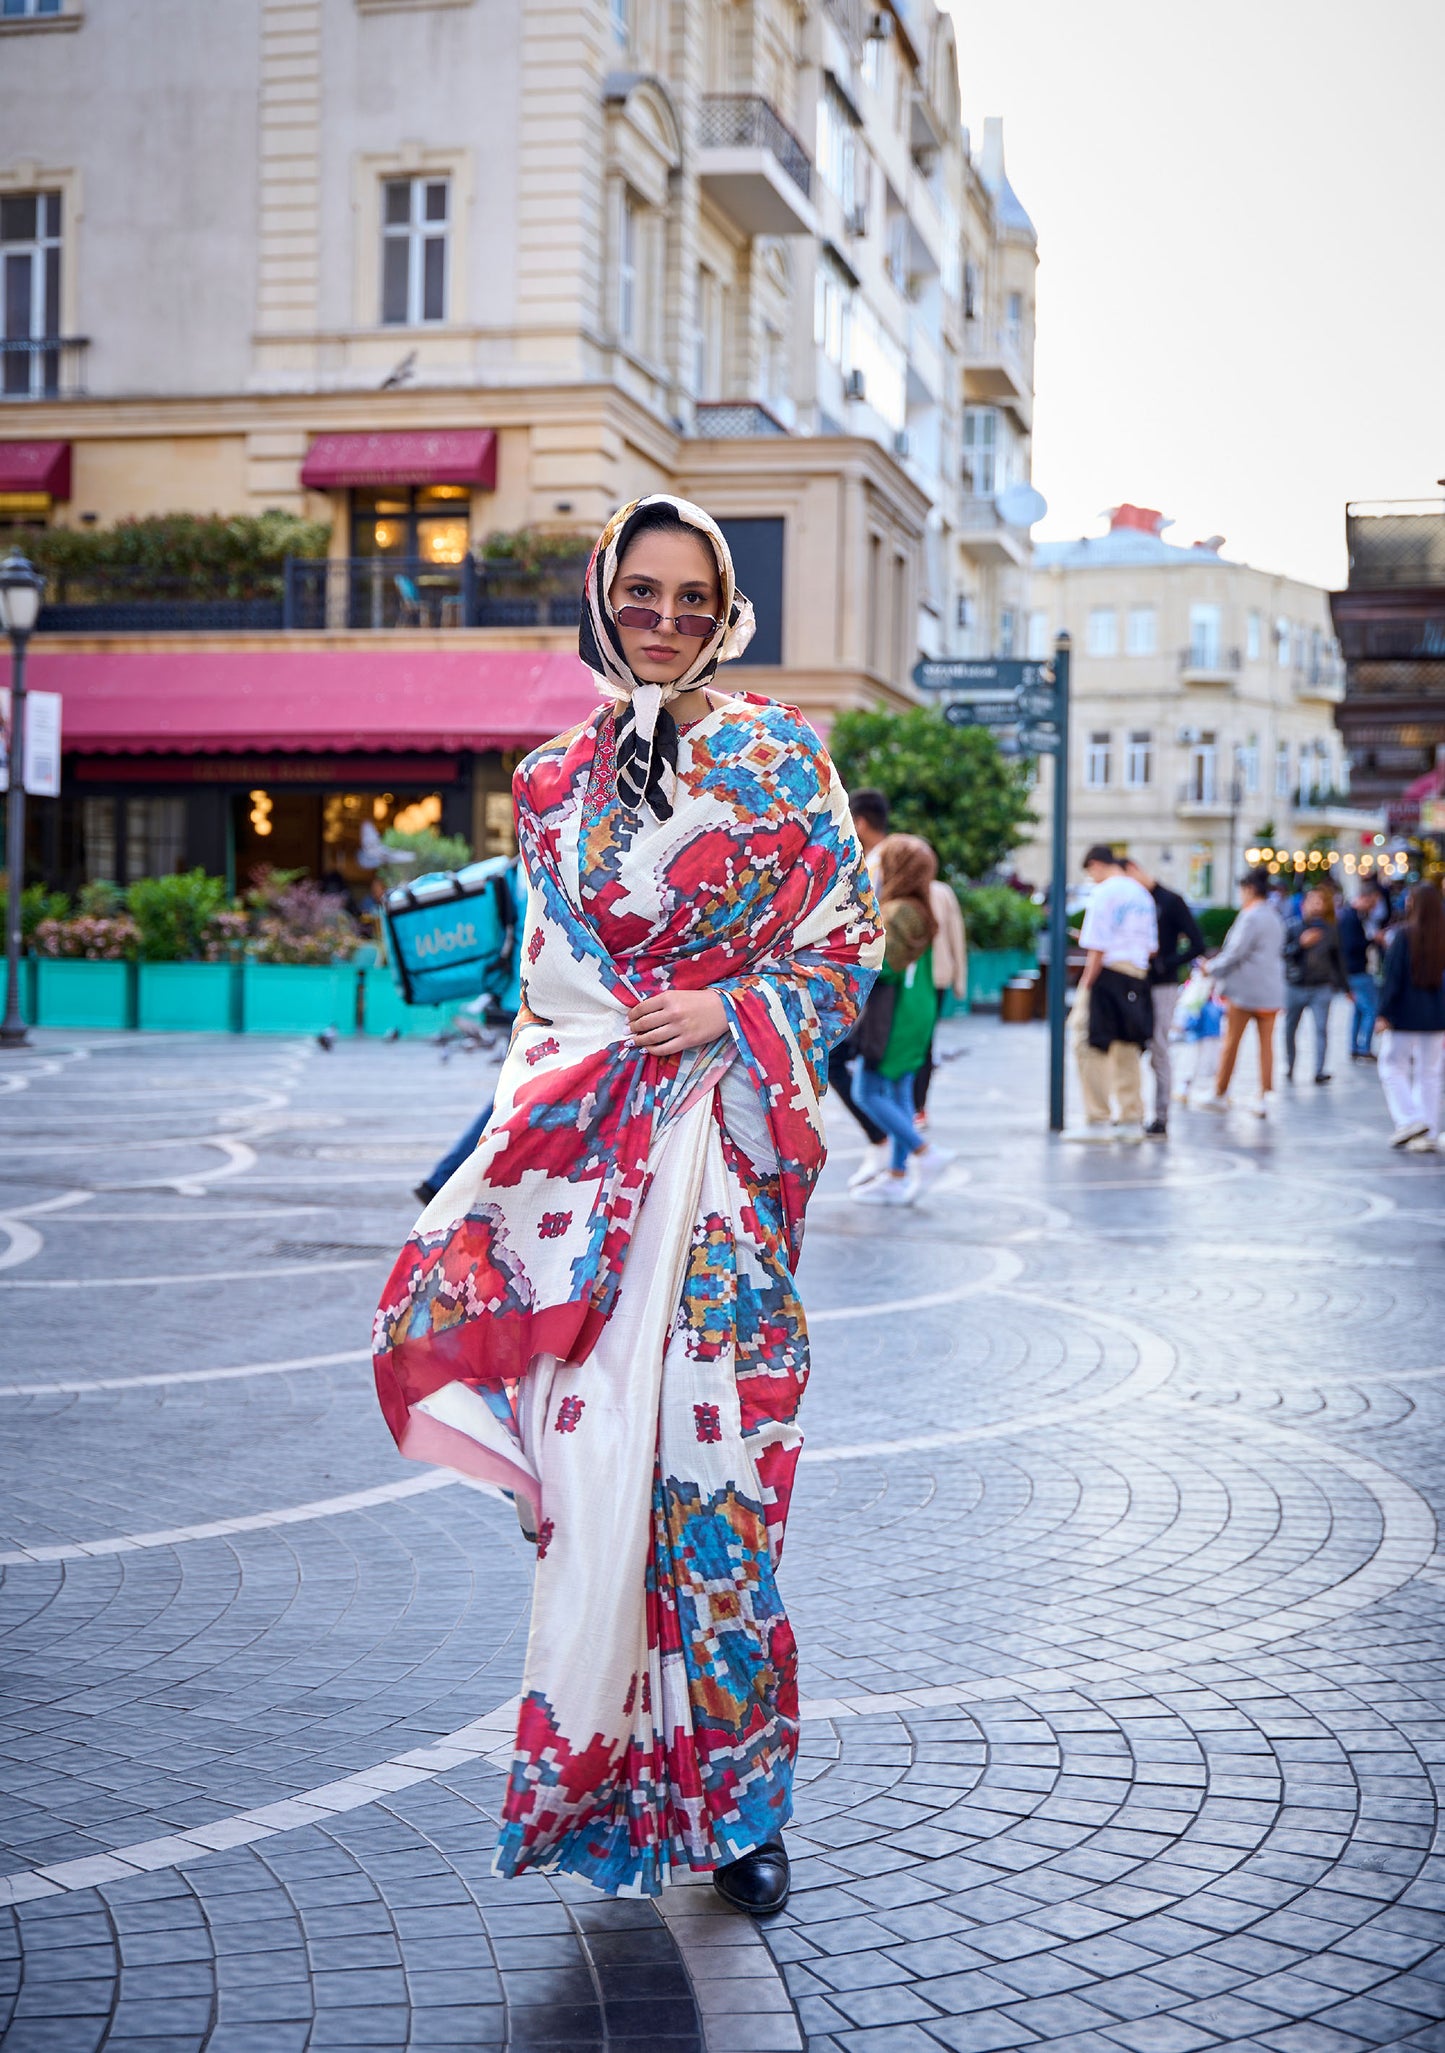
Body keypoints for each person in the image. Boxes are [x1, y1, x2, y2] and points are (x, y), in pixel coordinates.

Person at [372, 495, 881, 1914]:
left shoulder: (788, 761)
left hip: (720, 1178)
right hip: (587, 1191)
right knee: (598, 1496)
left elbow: (845, 947)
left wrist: (727, 1005)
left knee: (719, 1493)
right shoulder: (546, 783)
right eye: (641, 592)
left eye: (691, 597)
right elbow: (546, 994)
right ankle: (600, 1780)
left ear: (728, 611)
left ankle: (739, 1810)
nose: (665, 618)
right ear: (604, 599)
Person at [850, 835, 955, 1202]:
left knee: (867, 1090)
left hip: (894, 1015)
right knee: (899, 1093)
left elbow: (882, 969)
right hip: (917, 1009)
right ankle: (895, 1176)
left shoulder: (896, 912)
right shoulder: (919, 906)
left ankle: (923, 1153)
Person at [1065, 845, 1157, 1143]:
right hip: (1137, 975)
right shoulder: (1142, 894)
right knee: (1127, 1046)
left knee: (1090, 1044)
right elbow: (1152, 946)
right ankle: (1131, 1119)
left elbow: (1097, 947)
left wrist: (1086, 985)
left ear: (1095, 865)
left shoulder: (1104, 892)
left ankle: (1098, 1119)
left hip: (1108, 974)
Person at [828, 787, 893, 1184]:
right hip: (884, 985)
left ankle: (886, 1142)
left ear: (861, 822)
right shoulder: (886, 857)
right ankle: (892, 1147)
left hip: (872, 985)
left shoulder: (877, 863)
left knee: (841, 1062)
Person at [1121, 856, 1205, 1139]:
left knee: (1159, 1047)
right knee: (1129, 1046)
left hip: (1161, 984)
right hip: (1135, 982)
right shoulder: (1133, 902)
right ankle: (1131, 1110)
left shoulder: (1169, 901)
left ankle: (1161, 1116)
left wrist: (1166, 962)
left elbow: (1198, 944)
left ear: (1134, 870)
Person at [1204, 867, 1285, 1115]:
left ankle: (1220, 1091)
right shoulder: (1274, 915)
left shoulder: (1250, 916)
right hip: (1270, 990)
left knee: (1231, 1043)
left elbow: (1235, 953)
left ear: (1249, 889)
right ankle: (1264, 1094)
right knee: (1266, 1045)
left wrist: (1211, 967)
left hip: (1245, 991)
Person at [1376, 880, 1445, 1151]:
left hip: (1404, 1015)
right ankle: (1427, 1129)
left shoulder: (1404, 935)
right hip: (1437, 1016)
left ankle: (1409, 1119)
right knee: (1430, 1073)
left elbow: (1392, 978)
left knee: (1392, 1066)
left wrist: (1384, 1013)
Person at [913, 874, 968, 1122]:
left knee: (924, 1044)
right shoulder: (894, 887)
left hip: (934, 978)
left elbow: (956, 935)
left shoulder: (941, 892)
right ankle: (908, 1106)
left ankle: (918, 1107)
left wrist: (959, 979)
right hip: (912, 980)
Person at [1283, 886, 1349, 1084]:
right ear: (1304, 904)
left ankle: (1319, 1070)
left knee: (1321, 1029)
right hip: (1296, 985)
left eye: (1320, 902)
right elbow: (1282, 954)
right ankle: (1290, 1065)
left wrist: (1345, 987)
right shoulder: (1292, 926)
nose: (1316, 905)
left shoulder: (1330, 930)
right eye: (1312, 901)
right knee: (1289, 1028)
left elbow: (1338, 959)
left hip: (1321, 985)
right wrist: (1300, 945)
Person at [1338, 880, 1383, 1061]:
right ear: (1366, 898)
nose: (1374, 907)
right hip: (1356, 970)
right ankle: (1363, 1047)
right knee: (1371, 1009)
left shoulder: (1355, 916)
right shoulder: (1351, 918)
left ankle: (1355, 1046)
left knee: (1359, 1010)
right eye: (1373, 902)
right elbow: (1350, 946)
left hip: (1354, 970)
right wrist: (1372, 940)